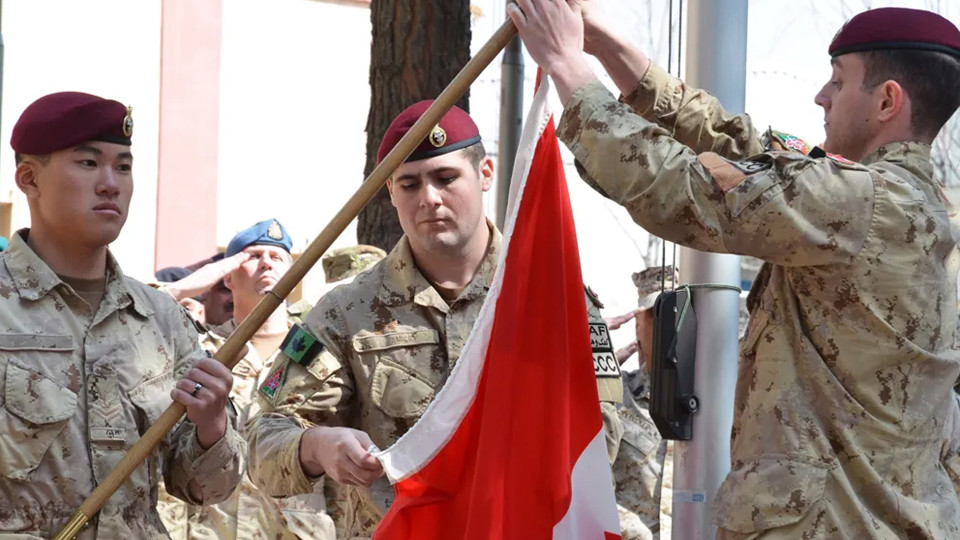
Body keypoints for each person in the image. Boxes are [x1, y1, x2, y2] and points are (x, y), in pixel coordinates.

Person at [510, 2, 960, 537]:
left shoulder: (862, 201)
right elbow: (736, 144)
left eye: (839, 82)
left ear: (887, 101)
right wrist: (604, 44)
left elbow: (682, 188)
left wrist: (567, 67)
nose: (822, 96)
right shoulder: (899, 201)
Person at [245, 101, 623, 538]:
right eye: (409, 184)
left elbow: (601, 436)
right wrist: (316, 446)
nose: (429, 198)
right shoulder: (346, 314)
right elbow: (263, 441)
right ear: (390, 193)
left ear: (485, 174)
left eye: (445, 178)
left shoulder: (554, 302)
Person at [0, 91, 243, 538]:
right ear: (29, 178)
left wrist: (212, 425)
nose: (111, 183)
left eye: (124, 166)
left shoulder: (161, 319)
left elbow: (207, 488)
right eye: (88, 164)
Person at [158, 219, 333, 540]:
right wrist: (183, 288)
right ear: (227, 274)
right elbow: (138, 322)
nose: (267, 262)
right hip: (210, 528)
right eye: (253, 256)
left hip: (294, 529)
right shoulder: (198, 352)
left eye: (278, 257)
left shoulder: (320, 350)